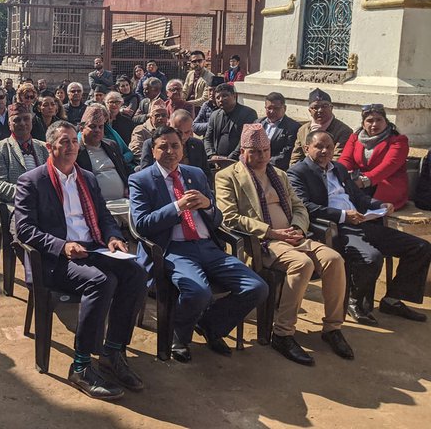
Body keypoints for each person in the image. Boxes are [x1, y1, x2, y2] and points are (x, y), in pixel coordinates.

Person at [15, 121, 147, 400]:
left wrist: (112, 237)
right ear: (50, 147)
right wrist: (62, 246)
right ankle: (81, 366)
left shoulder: (86, 178)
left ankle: (113, 351)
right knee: (102, 281)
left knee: (135, 272)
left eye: (74, 141)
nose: (71, 147)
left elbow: (105, 217)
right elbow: (24, 229)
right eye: (64, 142)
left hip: (93, 249)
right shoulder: (33, 181)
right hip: (56, 258)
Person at [129, 126, 268, 363]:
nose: (170, 151)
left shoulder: (196, 174)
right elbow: (141, 225)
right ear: (153, 151)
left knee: (257, 287)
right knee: (198, 292)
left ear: (183, 149)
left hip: (207, 246)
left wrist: (207, 206)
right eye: (163, 146)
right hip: (172, 249)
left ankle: (210, 325)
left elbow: (217, 221)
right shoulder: (141, 180)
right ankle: (179, 336)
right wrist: (177, 207)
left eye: (175, 146)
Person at [216, 124, 351, 365]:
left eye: (265, 151)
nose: (261, 157)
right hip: (263, 241)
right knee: (301, 264)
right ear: (243, 151)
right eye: (255, 152)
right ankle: (283, 333)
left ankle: (332, 327)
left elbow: (299, 207)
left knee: (334, 259)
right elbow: (229, 217)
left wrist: (298, 228)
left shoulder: (279, 174)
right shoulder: (227, 177)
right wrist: (272, 232)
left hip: (294, 236)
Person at [289, 130, 431, 325]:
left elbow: (358, 197)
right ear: (307, 148)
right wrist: (343, 216)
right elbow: (305, 206)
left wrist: (379, 205)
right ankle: (354, 300)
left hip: (363, 221)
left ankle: (392, 299)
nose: (324, 151)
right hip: (338, 228)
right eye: (319, 146)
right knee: (371, 258)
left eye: (329, 147)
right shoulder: (298, 172)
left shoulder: (338, 169)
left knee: (420, 247)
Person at [0, 102, 48, 232]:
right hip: (14, 207)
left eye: (26, 119)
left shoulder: (44, 147)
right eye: (17, 120)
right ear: (9, 125)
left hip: (45, 204)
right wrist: (31, 195)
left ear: (32, 121)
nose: (22, 123)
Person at [339, 104, 410, 210]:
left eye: (379, 120)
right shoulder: (355, 137)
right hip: (358, 182)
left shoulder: (398, 140)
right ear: (363, 124)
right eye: (370, 121)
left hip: (387, 184)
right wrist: (341, 175)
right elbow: (346, 159)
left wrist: (364, 181)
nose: (374, 124)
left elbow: (389, 165)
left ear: (386, 122)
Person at [75, 105, 129, 216]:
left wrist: (129, 187)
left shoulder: (111, 145)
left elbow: (126, 170)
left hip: (124, 200)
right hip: (98, 206)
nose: (97, 130)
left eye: (101, 127)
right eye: (93, 127)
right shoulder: (77, 152)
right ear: (81, 129)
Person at [139, 110, 210, 182]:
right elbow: (145, 175)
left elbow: (206, 175)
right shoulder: (151, 144)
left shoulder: (197, 144)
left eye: (187, 132)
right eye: (178, 131)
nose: (183, 136)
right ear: (169, 125)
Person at [290, 88, 353, 166]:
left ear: (331, 108)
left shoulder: (343, 131)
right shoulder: (303, 130)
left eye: (324, 106)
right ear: (310, 111)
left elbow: (337, 159)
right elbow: (296, 158)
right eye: (315, 107)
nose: (320, 110)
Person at [203, 82, 257, 161]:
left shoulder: (248, 114)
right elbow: (207, 138)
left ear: (234, 96)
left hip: (238, 160)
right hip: (215, 160)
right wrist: (212, 155)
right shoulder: (214, 115)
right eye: (218, 98)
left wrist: (229, 158)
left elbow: (246, 140)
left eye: (225, 96)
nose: (221, 100)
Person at [257, 92, 301, 171]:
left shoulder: (293, 127)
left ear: (284, 108)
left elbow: (286, 152)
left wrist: (265, 164)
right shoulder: (258, 123)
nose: (272, 111)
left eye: (276, 108)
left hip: (276, 169)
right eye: (269, 108)